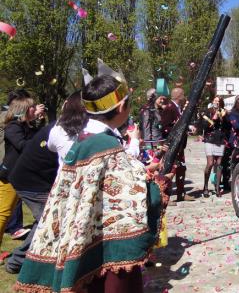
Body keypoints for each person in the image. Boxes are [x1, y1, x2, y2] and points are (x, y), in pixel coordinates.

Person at [15, 71, 169, 293]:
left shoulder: (82, 140)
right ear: (121, 107)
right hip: (106, 244)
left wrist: (139, 170)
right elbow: (133, 198)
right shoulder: (107, 146)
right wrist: (156, 182)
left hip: (82, 235)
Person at [5, 122, 58, 274]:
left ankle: (19, 260)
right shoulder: (60, 132)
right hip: (31, 183)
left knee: (45, 220)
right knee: (47, 221)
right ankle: (17, 261)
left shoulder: (59, 128)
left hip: (36, 180)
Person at [0, 95, 45, 261]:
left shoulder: (25, 126)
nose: (35, 109)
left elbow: (39, 136)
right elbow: (24, 145)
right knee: (3, 214)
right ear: (23, 110)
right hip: (10, 177)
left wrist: (39, 123)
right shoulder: (12, 127)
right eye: (32, 107)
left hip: (23, 176)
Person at [161, 87, 195, 202]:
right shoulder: (169, 108)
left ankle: (181, 193)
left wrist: (187, 128)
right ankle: (165, 196)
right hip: (172, 145)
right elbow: (164, 126)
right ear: (178, 96)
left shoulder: (179, 108)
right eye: (183, 94)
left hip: (180, 145)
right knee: (170, 170)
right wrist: (176, 129)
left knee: (181, 169)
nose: (184, 96)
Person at [47, 91, 88, 171]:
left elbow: (51, 147)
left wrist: (63, 113)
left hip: (65, 178)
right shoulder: (94, 128)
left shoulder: (57, 130)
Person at [201, 96, 229, 197]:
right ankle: (205, 186)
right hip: (209, 139)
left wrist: (224, 118)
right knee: (210, 163)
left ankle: (217, 187)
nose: (217, 103)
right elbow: (203, 126)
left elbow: (228, 126)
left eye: (219, 101)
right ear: (213, 102)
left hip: (221, 139)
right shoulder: (207, 111)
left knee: (219, 163)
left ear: (221, 103)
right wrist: (213, 118)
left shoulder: (224, 112)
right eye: (215, 101)